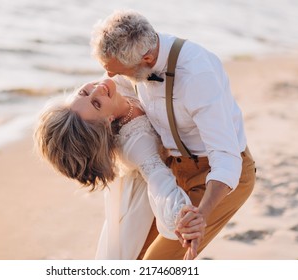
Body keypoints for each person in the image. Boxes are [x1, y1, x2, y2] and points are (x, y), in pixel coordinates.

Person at [89, 9, 256, 259]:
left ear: (146, 58)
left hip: (217, 176)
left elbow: (226, 157)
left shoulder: (197, 75)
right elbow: (112, 88)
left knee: (156, 263)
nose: (110, 76)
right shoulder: (136, 55)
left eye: (117, 71)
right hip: (173, 170)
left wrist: (201, 215)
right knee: (133, 254)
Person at [34, 78, 205, 260]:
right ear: (107, 123)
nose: (98, 89)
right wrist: (181, 215)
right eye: (97, 104)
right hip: (154, 183)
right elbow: (159, 180)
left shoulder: (112, 85)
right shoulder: (137, 142)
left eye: (83, 93)